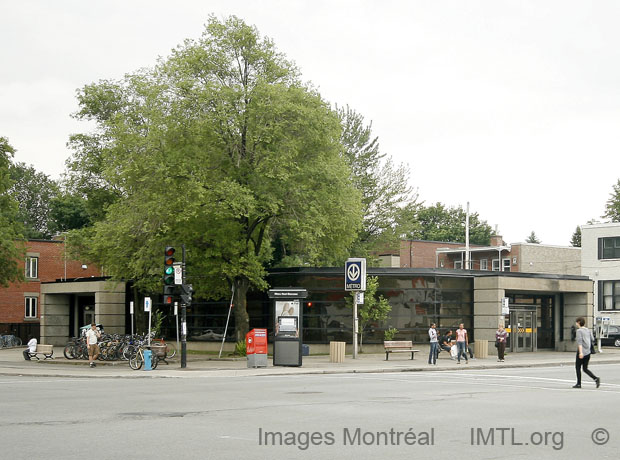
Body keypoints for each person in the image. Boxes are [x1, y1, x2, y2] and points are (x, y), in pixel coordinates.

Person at [573, 317, 600, 389]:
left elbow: (580, 342)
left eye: (576, 322)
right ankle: (595, 378)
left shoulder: (579, 331)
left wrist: (580, 352)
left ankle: (579, 384)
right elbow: (592, 339)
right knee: (585, 368)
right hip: (588, 352)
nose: (575, 323)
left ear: (578, 322)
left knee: (577, 367)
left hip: (582, 351)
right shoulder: (588, 330)